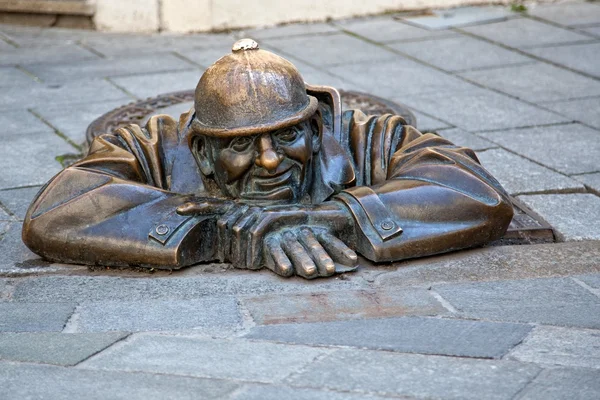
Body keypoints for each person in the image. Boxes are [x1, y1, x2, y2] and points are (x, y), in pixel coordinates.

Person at [22, 39, 513, 279]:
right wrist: (216, 231)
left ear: (316, 127)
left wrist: (332, 216)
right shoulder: (154, 143)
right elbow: (55, 211)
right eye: (239, 144)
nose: (271, 161)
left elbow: (475, 190)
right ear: (202, 150)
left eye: (288, 136)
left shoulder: (365, 136)